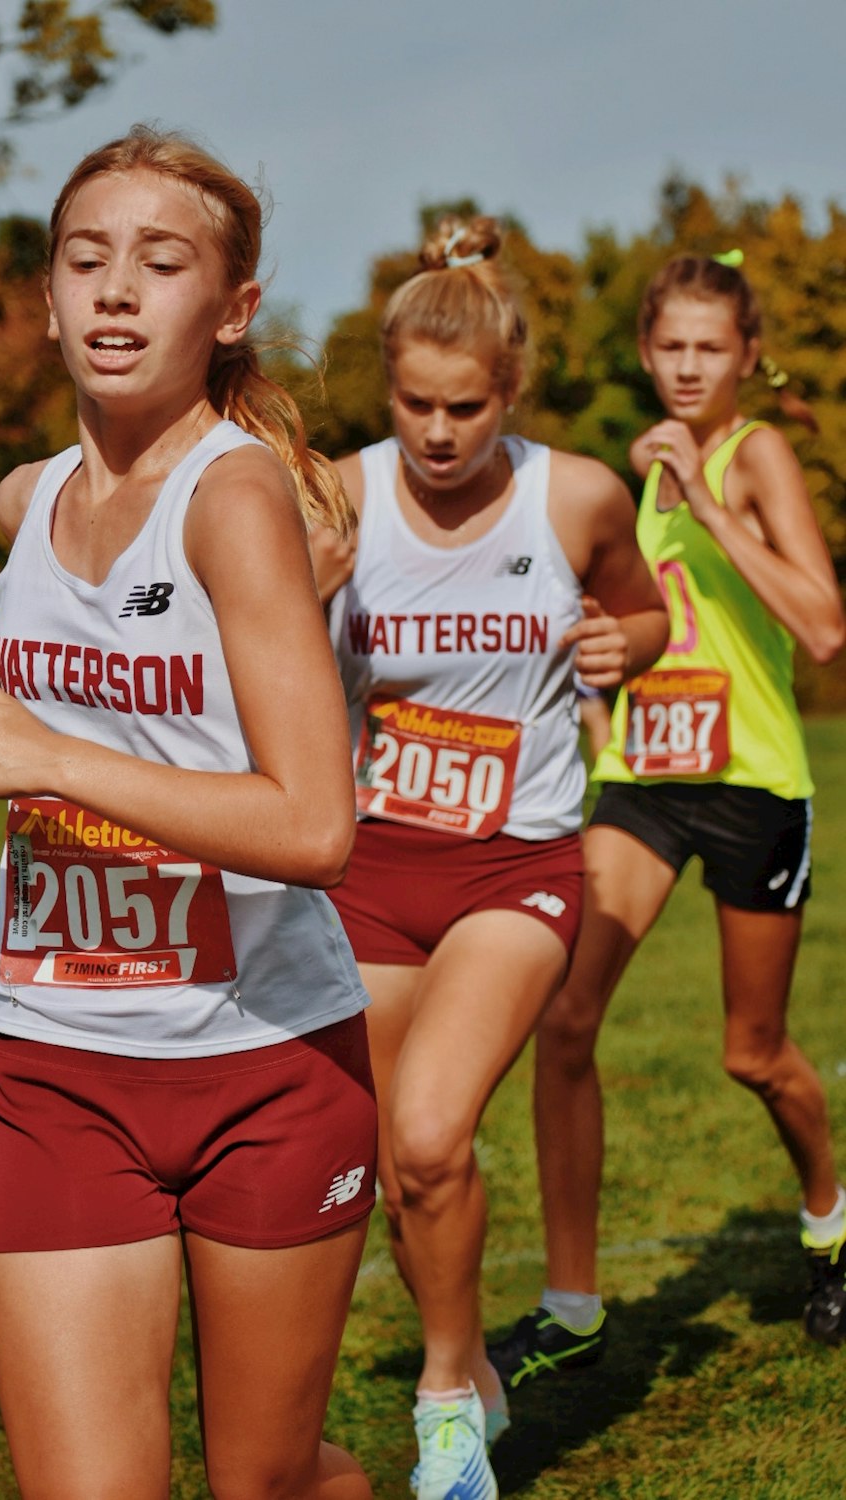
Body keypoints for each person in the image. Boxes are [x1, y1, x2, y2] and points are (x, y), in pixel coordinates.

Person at [0, 126, 377, 1500]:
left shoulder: (233, 501)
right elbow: (61, 759)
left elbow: (313, 829)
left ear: (230, 313)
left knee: (266, 1486)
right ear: (48, 298)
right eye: (87, 260)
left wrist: (44, 759)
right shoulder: (22, 499)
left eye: (160, 264)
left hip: (265, 1068)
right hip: (57, 1064)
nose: (116, 291)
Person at [311, 214, 668, 1500]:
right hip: (366, 870)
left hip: (513, 864)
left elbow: (638, 600)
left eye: (464, 407)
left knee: (427, 1124)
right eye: (414, 404)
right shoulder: (338, 494)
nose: (438, 434)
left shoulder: (569, 494)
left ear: (506, 394)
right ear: (388, 390)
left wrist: (628, 639)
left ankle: (443, 1405)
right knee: (407, 1169)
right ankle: (473, 1375)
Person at [492, 252, 846, 1392]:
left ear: (746, 356)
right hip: (646, 777)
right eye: (671, 348)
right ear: (646, 354)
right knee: (564, 1016)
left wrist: (702, 497)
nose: (689, 367)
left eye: (711, 348)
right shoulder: (634, 477)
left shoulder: (753, 456)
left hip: (754, 785)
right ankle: (572, 1304)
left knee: (751, 1051)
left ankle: (829, 1213)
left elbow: (824, 630)